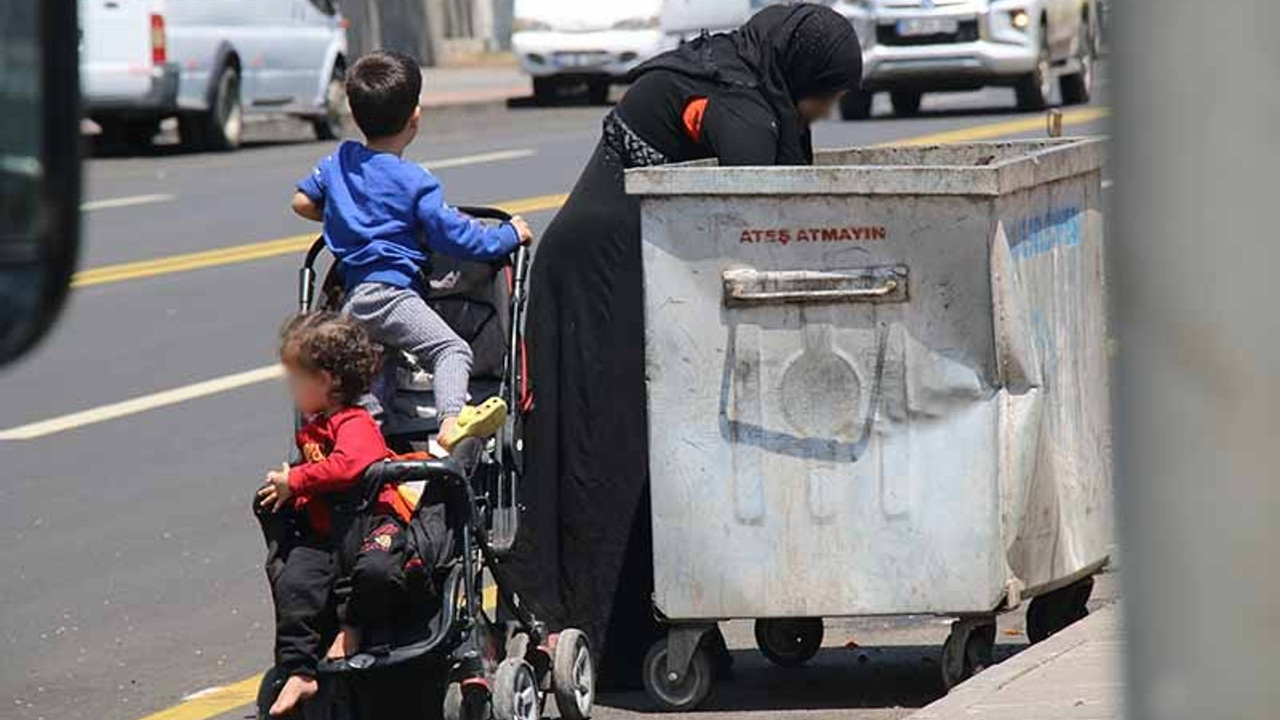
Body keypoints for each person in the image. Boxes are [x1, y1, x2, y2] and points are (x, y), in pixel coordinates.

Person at [499, 3, 864, 687]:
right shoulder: (741, 104)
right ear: (802, 70)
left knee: (659, 450)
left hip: (641, 269)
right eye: (825, 94)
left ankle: (657, 622)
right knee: (615, 455)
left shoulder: (737, 68)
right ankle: (601, 638)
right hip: (600, 279)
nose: (822, 111)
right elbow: (758, 208)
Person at [291, 50, 534, 448]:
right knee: (450, 348)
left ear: (354, 114)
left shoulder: (339, 162)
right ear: (415, 117)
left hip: (353, 300)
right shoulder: (414, 182)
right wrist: (508, 235)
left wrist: (348, 220)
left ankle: (365, 446)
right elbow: (456, 236)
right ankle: (451, 420)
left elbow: (301, 202)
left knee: (371, 376)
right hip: (391, 296)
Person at [255, 312, 402, 716]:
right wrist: (290, 496)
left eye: (296, 379)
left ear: (327, 382)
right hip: (328, 535)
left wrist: (297, 481)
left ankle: (353, 629)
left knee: (375, 571)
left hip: (371, 526)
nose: (290, 389)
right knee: (294, 581)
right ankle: (300, 670)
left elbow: (347, 465)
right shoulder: (315, 426)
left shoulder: (354, 423)